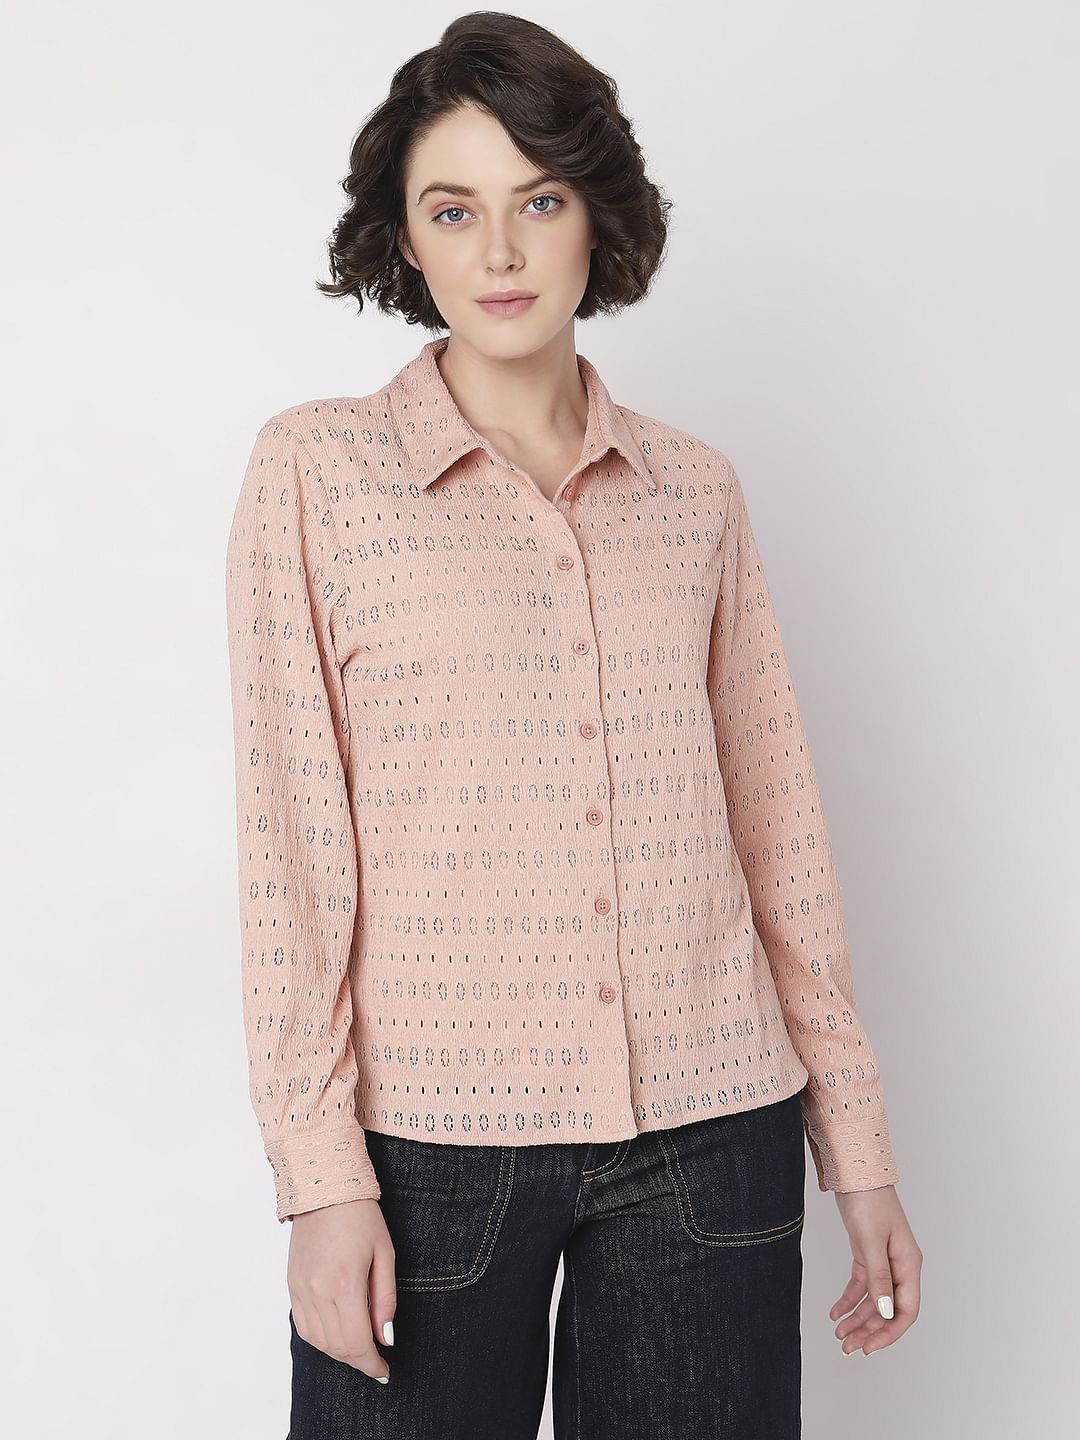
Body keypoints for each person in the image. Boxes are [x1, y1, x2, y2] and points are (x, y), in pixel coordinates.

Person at [224, 12, 922, 1437]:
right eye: (454, 210)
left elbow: (775, 825)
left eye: (539, 201)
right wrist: (320, 1181)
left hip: (713, 1131)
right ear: (405, 240)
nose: (501, 250)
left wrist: (857, 1146)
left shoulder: (694, 492)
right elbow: (291, 851)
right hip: (430, 1148)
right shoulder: (317, 474)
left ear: (597, 216)